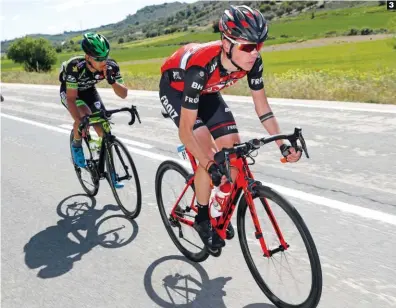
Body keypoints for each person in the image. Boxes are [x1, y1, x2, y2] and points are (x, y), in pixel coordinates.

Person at [159, 5, 302, 250]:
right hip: (178, 90)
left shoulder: (252, 61)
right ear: (226, 44)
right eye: (247, 46)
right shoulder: (200, 68)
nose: (254, 53)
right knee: (208, 155)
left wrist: (282, 143)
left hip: (208, 92)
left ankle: (218, 203)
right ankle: (203, 218)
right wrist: (209, 164)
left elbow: (263, 108)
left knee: (233, 150)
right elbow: (186, 131)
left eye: (259, 45)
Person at [59, 32, 128, 188]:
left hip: (89, 91)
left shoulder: (111, 66)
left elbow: (123, 94)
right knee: (85, 116)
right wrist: (80, 121)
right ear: (88, 57)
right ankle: (76, 145)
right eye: (98, 59)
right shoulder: (75, 66)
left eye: (105, 57)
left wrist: (112, 82)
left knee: (103, 127)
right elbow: (71, 99)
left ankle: (111, 172)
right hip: (71, 93)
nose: (103, 61)